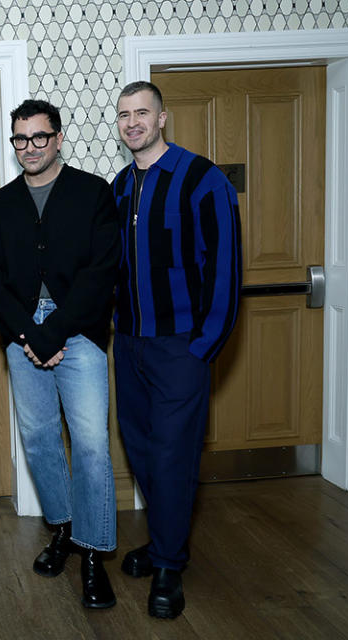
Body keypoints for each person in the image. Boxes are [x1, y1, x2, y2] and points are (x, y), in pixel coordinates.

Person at [0, 100, 120, 608]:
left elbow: (101, 271)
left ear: (59, 138)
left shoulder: (93, 193)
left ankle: (91, 553)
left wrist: (54, 333)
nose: (30, 148)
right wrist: (28, 336)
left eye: (39, 137)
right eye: (20, 139)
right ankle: (62, 529)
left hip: (78, 338)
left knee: (89, 446)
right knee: (39, 441)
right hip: (22, 342)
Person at [111, 80, 241, 619]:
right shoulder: (119, 186)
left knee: (172, 453)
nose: (133, 122)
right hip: (130, 344)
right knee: (140, 448)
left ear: (163, 118)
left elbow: (227, 270)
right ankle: (166, 538)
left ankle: (169, 565)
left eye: (142, 112)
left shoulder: (202, 179)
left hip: (181, 347)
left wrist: (202, 348)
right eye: (124, 115)